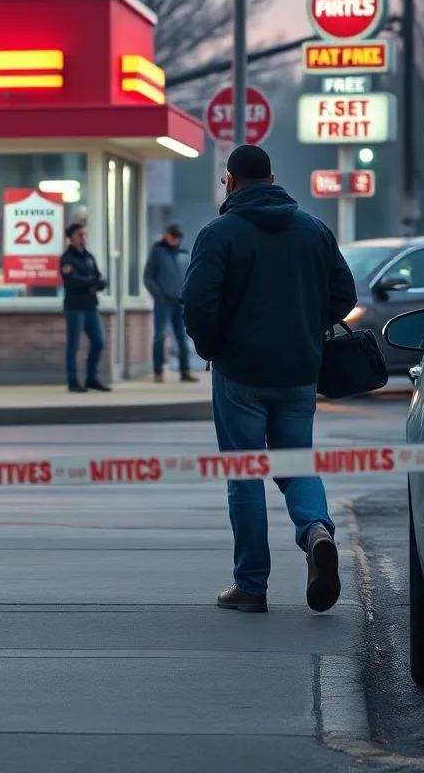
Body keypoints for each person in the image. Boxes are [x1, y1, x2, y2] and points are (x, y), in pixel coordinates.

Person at [182, 145, 357, 615]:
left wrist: (214, 346)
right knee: (296, 463)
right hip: (299, 371)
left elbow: (197, 304)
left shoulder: (219, 234)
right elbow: (344, 293)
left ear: (231, 182)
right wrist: (305, 326)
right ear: (274, 178)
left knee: (245, 475)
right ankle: (317, 531)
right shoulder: (313, 229)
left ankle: (251, 585)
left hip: (240, 373)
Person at [143, 223, 197, 384]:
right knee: (159, 336)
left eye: (178, 237)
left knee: (182, 338)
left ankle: (185, 371)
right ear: (167, 235)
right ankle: (158, 371)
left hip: (179, 302)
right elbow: (148, 277)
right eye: (173, 236)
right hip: (163, 302)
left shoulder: (182, 254)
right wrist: (158, 295)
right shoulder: (157, 252)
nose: (176, 240)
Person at [60, 222, 110, 393]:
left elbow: (100, 279)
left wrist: (93, 282)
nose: (83, 238)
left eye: (84, 234)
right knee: (73, 345)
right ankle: (73, 380)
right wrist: (91, 282)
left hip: (91, 306)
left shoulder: (89, 257)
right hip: (75, 307)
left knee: (99, 341)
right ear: (71, 238)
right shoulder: (67, 258)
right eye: (80, 235)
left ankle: (91, 378)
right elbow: (72, 281)